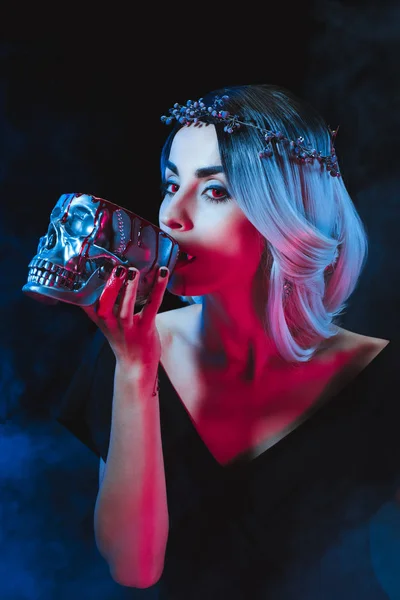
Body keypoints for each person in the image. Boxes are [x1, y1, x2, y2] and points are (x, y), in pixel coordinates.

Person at [55, 84, 398, 598]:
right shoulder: (125, 349)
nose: (171, 216)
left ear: (283, 213)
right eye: (171, 184)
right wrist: (135, 370)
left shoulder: (382, 381)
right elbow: (133, 568)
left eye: (214, 192)